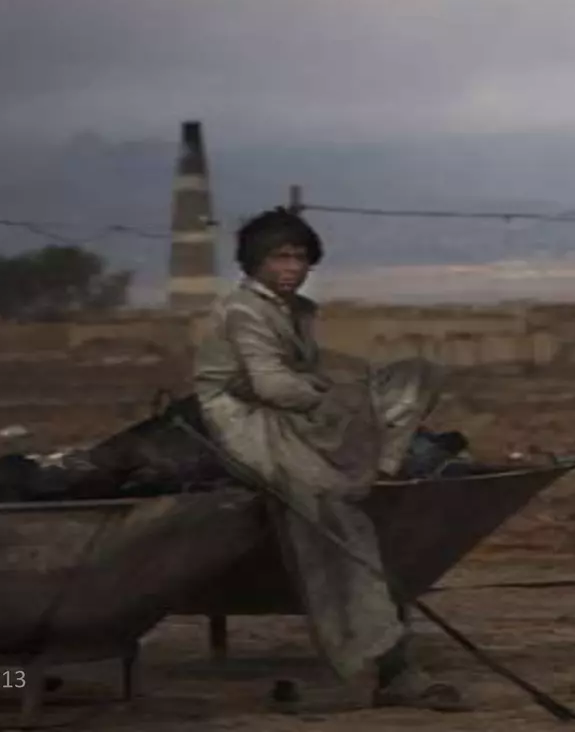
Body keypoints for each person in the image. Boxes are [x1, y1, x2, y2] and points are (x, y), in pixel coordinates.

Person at [192, 207, 467, 711]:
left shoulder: (294, 309)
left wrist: (343, 392)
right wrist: (337, 399)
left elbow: (306, 377)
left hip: (301, 414)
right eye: (280, 257)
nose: (291, 267)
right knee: (334, 525)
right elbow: (270, 386)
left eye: (300, 257)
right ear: (255, 261)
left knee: (415, 375)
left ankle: (378, 465)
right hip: (252, 426)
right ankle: (377, 660)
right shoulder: (243, 310)